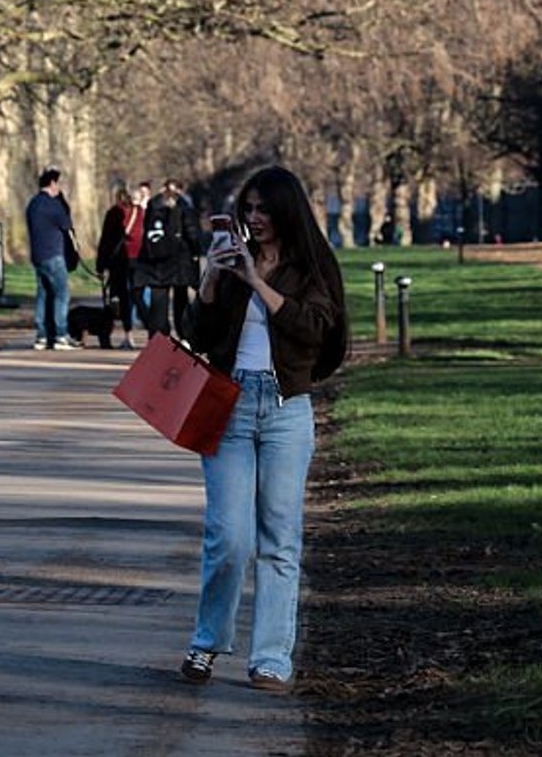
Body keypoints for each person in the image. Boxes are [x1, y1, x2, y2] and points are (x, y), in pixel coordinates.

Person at [176, 164, 347, 692]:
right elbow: (196, 335)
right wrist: (211, 277)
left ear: (285, 211)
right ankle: (207, 644)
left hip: (285, 410)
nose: (255, 219)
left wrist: (256, 281)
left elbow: (316, 330)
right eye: (248, 209)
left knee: (279, 539)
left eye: (264, 209)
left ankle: (271, 657)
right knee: (228, 536)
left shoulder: (310, 266)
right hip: (227, 405)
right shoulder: (231, 264)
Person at [138, 180, 201, 337]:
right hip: (179, 259)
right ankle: (184, 335)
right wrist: (195, 252)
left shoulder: (153, 204)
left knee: (158, 301)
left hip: (156, 259)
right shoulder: (183, 205)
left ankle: (158, 338)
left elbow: (146, 230)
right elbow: (192, 231)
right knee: (181, 300)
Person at [25, 167, 79, 350]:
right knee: (62, 294)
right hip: (54, 254)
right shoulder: (53, 205)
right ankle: (60, 335)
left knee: (43, 294)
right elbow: (67, 224)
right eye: (59, 184)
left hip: (38, 255)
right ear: (53, 183)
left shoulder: (33, 204)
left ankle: (41, 336)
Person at [94, 183, 142, 348]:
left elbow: (105, 242)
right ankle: (150, 334)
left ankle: (128, 335)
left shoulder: (113, 213)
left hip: (119, 261)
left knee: (122, 298)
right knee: (137, 297)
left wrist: (100, 266)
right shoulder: (140, 213)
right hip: (139, 260)